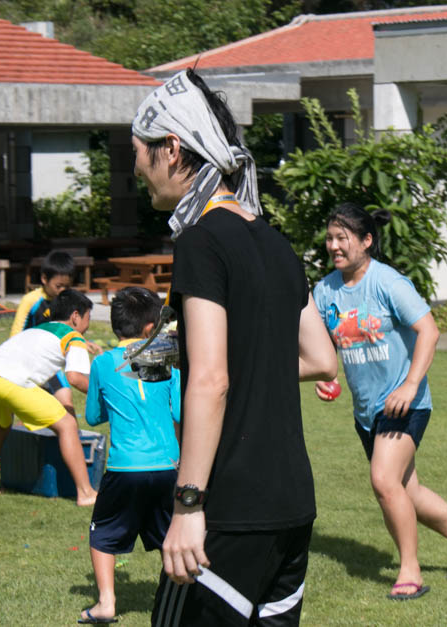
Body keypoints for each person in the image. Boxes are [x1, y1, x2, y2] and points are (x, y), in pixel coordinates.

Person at [131, 69, 337, 625]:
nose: (136, 170)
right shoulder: (275, 242)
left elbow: (212, 380)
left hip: (230, 508)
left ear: (172, 150)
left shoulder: (200, 242)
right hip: (292, 504)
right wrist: (190, 354)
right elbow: (321, 358)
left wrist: (187, 505)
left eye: (139, 153)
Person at [313, 202, 447, 602]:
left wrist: (411, 385)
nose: (334, 246)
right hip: (367, 412)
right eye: (330, 238)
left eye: (342, 238)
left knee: (383, 481)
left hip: (404, 403)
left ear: (366, 240)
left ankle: (409, 571)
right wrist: (327, 378)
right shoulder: (324, 290)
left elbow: (428, 332)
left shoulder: (388, 282)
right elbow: (327, 348)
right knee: (407, 491)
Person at [78, 287, 181, 625]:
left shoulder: (103, 363)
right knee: (172, 536)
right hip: (168, 465)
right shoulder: (167, 357)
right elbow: (179, 409)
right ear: (151, 328)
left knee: (103, 533)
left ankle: (106, 603)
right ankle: (179, 600)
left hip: (125, 467)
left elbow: (93, 417)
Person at [0, 288, 97, 506]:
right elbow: (76, 378)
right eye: (88, 318)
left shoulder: (37, 330)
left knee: (0, 425)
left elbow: (54, 378)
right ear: (76, 316)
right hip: (9, 382)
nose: (88, 325)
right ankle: (86, 493)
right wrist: (104, 393)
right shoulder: (72, 337)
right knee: (67, 425)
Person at [11, 249, 78, 415]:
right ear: (44, 279)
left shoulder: (65, 302)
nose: (62, 290)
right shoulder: (31, 301)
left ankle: (70, 438)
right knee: (31, 412)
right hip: (27, 365)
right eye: (58, 286)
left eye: (67, 287)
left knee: (66, 403)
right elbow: (15, 335)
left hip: (50, 365)